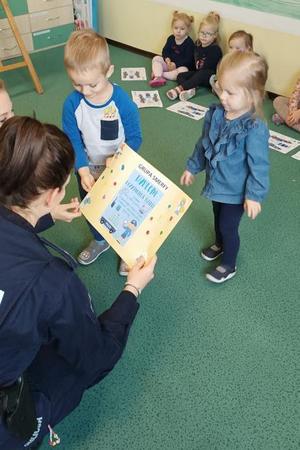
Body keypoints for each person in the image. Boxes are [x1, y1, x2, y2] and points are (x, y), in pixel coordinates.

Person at [0, 116, 157, 449]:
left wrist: (44, 214)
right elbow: (97, 357)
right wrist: (133, 289)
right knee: (73, 361)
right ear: (55, 193)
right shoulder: (52, 282)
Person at [180, 51, 269, 283]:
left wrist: (254, 195)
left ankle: (229, 263)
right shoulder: (217, 114)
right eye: (221, 88)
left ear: (253, 96)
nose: (223, 97)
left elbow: (258, 165)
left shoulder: (254, 127)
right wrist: (192, 167)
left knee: (229, 226)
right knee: (217, 216)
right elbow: (203, 144)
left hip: (237, 191)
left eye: (230, 93)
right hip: (216, 182)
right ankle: (220, 244)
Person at [62, 29, 142, 276]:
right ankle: (100, 240)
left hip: (118, 168)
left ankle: (125, 247)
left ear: (108, 71)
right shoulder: (72, 103)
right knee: (92, 207)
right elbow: (72, 139)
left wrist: (118, 158)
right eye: (77, 83)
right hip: (88, 169)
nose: (85, 90)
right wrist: (82, 169)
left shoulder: (121, 101)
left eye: (92, 84)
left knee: (122, 210)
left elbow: (135, 137)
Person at [166, 11, 222, 102]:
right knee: (180, 76)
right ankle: (190, 89)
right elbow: (194, 63)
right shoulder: (197, 45)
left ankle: (179, 89)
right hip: (198, 74)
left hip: (209, 78)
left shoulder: (215, 49)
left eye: (208, 34)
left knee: (202, 73)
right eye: (202, 32)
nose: (204, 36)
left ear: (215, 35)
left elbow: (207, 69)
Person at [149, 11, 195, 88]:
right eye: (176, 28)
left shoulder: (189, 43)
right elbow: (165, 51)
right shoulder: (171, 38)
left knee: (183, 71)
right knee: (156, 58)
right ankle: (158, 76)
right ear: (172, 27)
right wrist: (167, 59)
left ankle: (161, 75)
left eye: (182, 29)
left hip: (178, 67)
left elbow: (188, 60)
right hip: (168, 64)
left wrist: (175, 64)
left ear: (188, 30)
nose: (178, 31)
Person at [210, 30, 253, 95]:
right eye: (231, 47)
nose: (233, 51)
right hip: (230, 87)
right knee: (217, 85)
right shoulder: (229, 60)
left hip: (243, 90)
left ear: (248, 49)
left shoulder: (249, 63)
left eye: (237, 48)